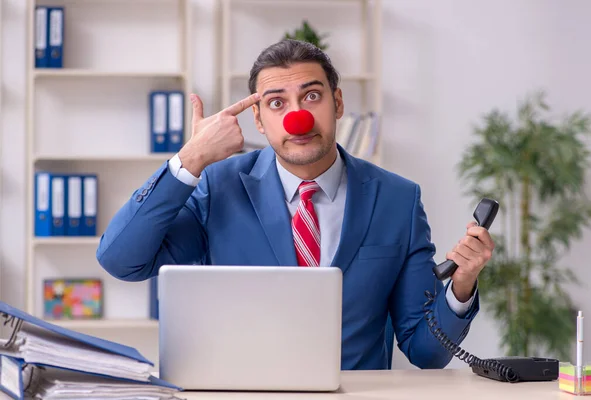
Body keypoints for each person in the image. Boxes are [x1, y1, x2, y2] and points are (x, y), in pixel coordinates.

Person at [97, 39, 494, 371]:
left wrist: (461, 286)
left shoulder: (397, 199)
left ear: (338, 103)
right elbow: (121, 260)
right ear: (256, 118)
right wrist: (190, 160)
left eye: (312, 96)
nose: (297, 117)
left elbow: (426, 351)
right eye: (276, 103)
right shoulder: (219, 187)